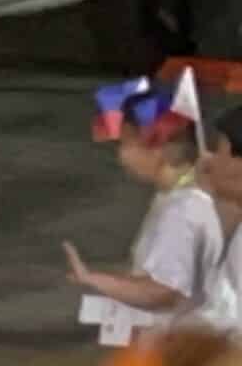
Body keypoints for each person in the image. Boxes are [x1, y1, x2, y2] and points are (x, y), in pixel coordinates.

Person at [64, 116, 225, 336]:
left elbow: (163, 292)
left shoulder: (181, 211)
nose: (121, 155)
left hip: (178, 347)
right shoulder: (178, 198)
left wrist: (94, 279)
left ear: (159, 151)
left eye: (126, 144)